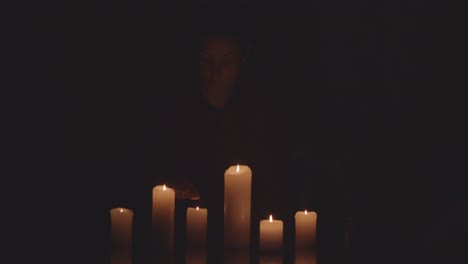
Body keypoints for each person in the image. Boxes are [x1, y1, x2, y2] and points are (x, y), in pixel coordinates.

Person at [139, 5, 292, 259]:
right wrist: (169, 189)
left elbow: (277, 185)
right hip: (183, 244)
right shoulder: (171, 110)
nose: (215, 71)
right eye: (207, 60)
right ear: (195, 57)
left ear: (245, 57)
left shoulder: (261, 114)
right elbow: (147, 172)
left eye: (226, 62)